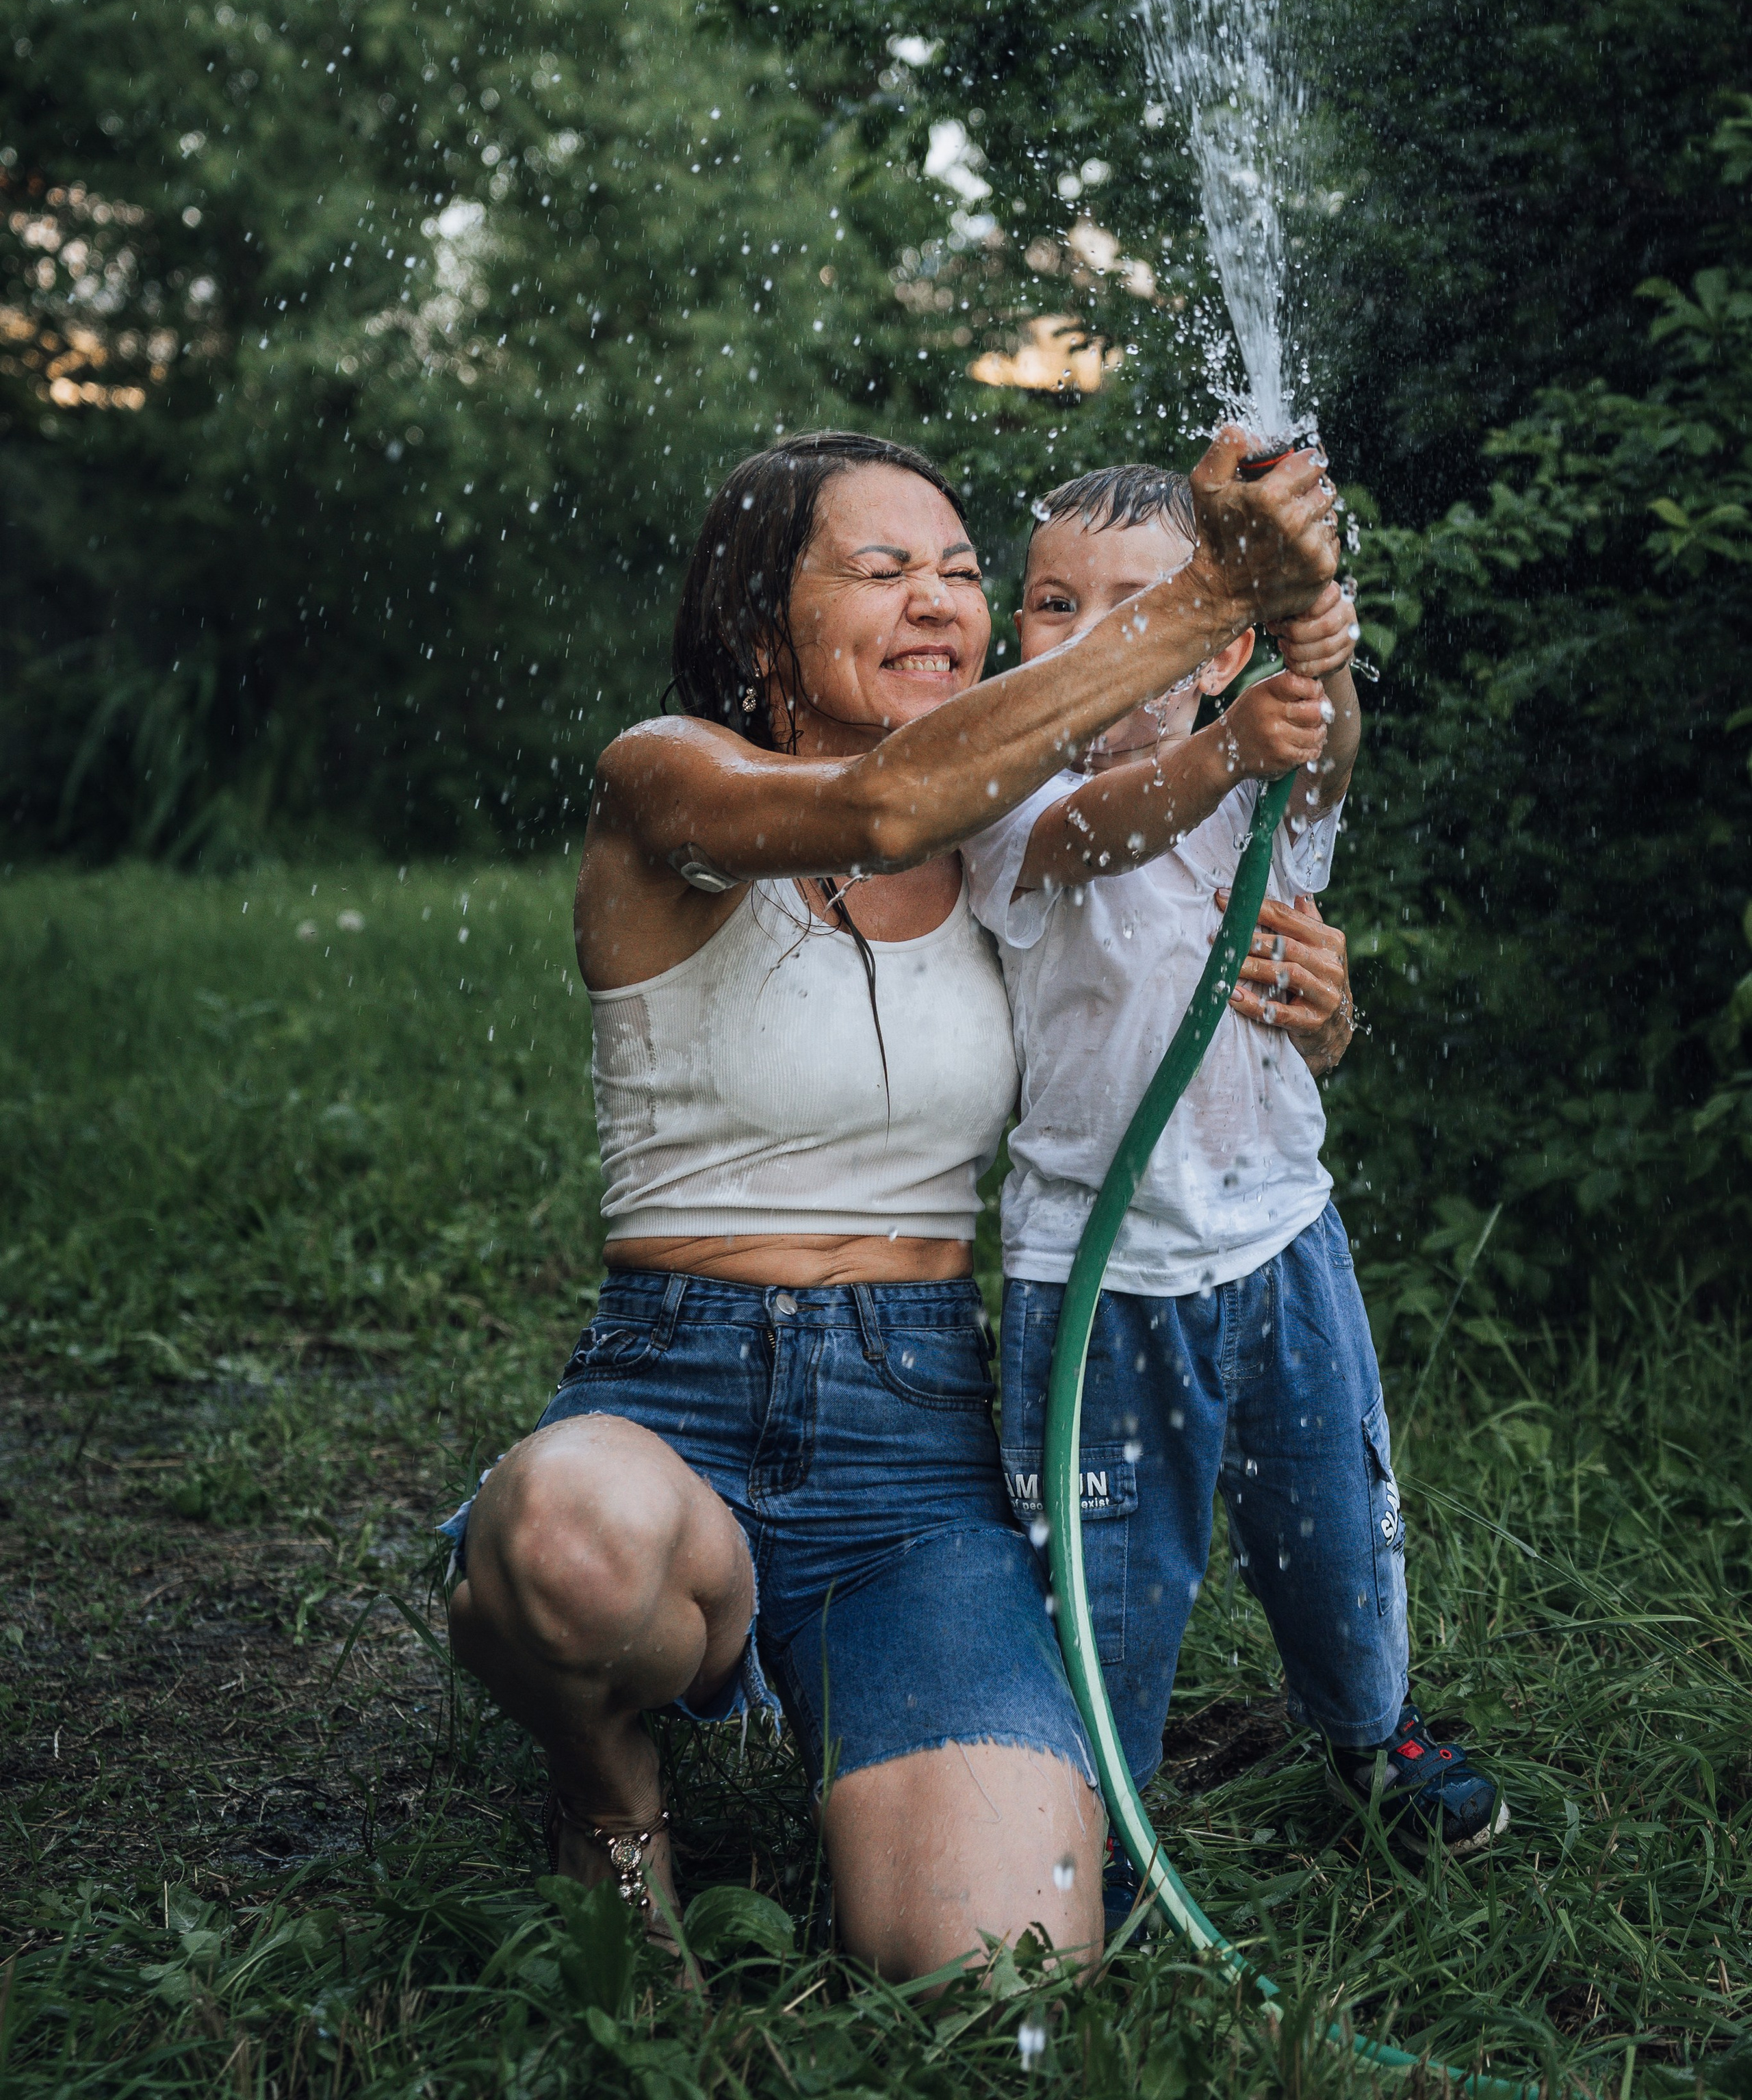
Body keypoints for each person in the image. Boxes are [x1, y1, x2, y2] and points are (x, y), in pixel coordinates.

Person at [440, 425, 1339, 1980]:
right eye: (881, 568)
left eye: (962, 571)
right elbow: (874, 810)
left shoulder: (1009, 835)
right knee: (569, 1544)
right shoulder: (671, 779)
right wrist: (1211, 593)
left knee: (1002, 1967)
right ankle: (605, 1785)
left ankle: (853, 1691)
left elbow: (1152, 1000)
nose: (940, 599)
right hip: (672, 1391)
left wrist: (1314, 1010)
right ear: (756, 623)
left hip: (912, 1432)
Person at [962, 464, 1507, 1891]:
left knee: (1336, 1526)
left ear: (1216, 650)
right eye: (1055, 605)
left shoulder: (1256, 795)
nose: (1091, 636)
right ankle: (1101, 1808)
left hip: (1281, 1240)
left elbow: (1324, 761)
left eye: (1134, 607)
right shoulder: (1011, 805)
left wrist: (1323, 662)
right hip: (1100, 1275)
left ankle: (1367, 1729)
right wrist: (1225, 750)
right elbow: (1101, 829)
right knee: (1107, 1572)